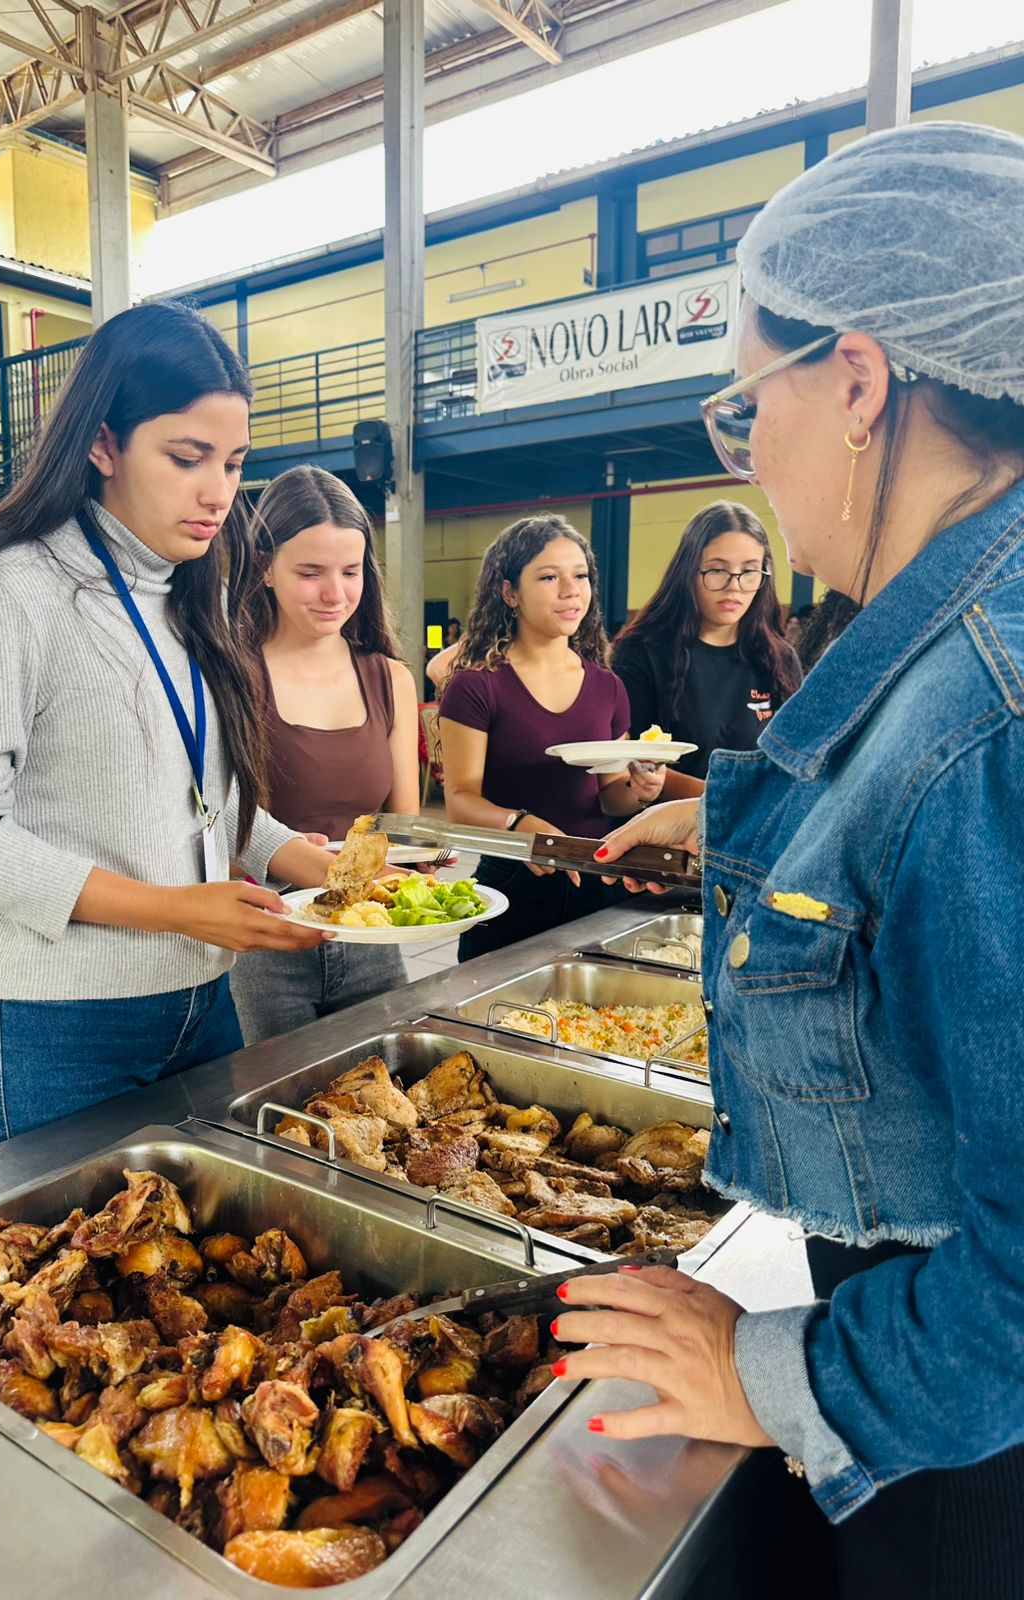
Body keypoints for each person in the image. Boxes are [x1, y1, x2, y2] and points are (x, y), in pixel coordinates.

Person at [558, 122, 1024, 1599]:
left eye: (749, 405)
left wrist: (759, 1367)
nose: (749, 460)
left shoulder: (994, 706)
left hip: (965, 1469)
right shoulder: (957, 645)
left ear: (862, 381)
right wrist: (735, 823)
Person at [0, 303, 336, 1151]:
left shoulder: (188, 589)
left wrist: (314, 864)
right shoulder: (17, 590)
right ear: (101, 443)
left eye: (234, 463)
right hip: (61, 1029)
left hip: (203, 1007)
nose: (218, 493)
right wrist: (172, 909)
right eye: (186, 457)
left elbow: (202, 795)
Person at [227, 465, 419, 1044]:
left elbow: (402, 824)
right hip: (265, 941)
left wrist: (423, 874)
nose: (335, 593)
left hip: (369, 933)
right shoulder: (232, 675)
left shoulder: (389, 678)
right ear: (264, 567)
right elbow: (216, 817)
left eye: (350, 571)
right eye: (310, 572)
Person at [439, 513, 664, 960]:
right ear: (509, 593)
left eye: (580, 576)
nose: (570, 590)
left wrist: (641, 790)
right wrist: (521, 825)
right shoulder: (477, 685)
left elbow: (609, 797)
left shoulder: (607, 686)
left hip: (599, 882)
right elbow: (460, 800)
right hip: (513, 884)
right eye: (549, 577)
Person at [610, 501, 801, 794]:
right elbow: (641, 767)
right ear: (688, 571)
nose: (734, 586)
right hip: (667, 830)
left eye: (749, 572)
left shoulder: (778, 659)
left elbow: (792, 760)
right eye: (717, 570)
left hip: (753, 833)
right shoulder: (641, 652)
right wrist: (727, 804)